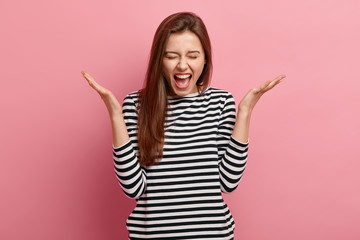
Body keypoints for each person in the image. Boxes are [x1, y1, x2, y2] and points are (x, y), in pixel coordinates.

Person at [81, 11, 285, 240]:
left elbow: (228, 181)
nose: (182, 65)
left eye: (193, 56)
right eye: (171, 56)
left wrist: (245, 112)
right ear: (160, 59)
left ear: (205, 59)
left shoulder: (220, 103)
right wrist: (116, 116)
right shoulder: (135, 105)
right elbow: (133, 188)